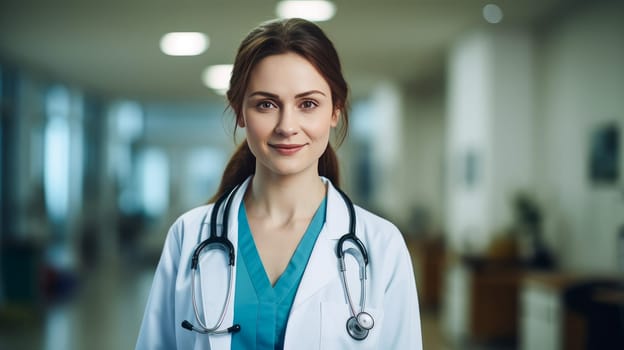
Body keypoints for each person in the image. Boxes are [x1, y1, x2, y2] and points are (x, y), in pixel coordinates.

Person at [135, 18, 422, 350]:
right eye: (266, 104)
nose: (287, 126)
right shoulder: (188, 236)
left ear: (335, 112)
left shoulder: (382, 246)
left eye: (308, 104)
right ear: (240, 112)